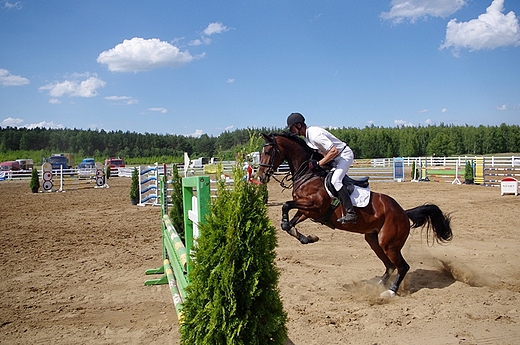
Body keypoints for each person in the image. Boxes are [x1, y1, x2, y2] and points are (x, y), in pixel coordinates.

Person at [286, 112, 357, 223]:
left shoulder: (314, 135)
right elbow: (325, 153)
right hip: (336, 158)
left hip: (344, 155)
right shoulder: (308, 139)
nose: (292, 132)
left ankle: (351, 213)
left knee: (335, 181)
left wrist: (319, 164)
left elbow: (334, 150)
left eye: (292, 128)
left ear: (298, 125)